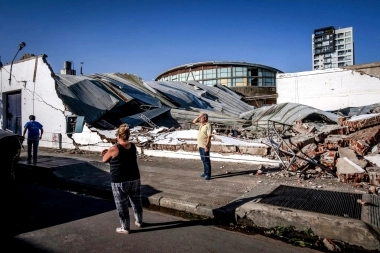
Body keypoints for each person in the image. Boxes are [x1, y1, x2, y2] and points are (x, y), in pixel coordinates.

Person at [101, 123, 143, 234]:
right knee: (136, 201)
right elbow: (125, 158)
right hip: (134, 178)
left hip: (119, 181)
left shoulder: (114, 148)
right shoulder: (133, 146)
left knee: (122, 204)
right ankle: (139, 221)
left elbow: (104, 160)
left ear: (118, 136)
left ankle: (125, 227)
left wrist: (106, 153)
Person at [192, 113, 213, 180]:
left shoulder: (208, 125)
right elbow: (194, 121)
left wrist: (206, 146)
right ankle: (205, 172)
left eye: (201, 118)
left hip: (204, 145)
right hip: (200, 145)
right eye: (200, 118)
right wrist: (199, 116)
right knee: (203, 159)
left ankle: (208, 174)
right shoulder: (201, 124)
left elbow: (209, 136)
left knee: (206, 160)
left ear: (205, 118)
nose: (200, 119)